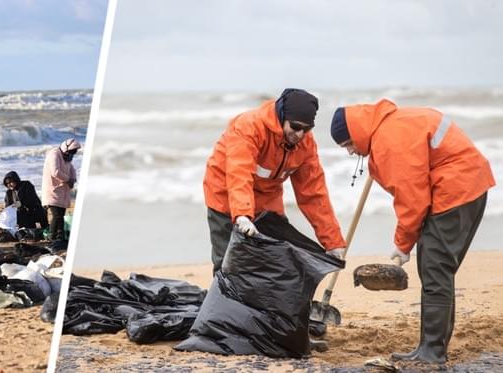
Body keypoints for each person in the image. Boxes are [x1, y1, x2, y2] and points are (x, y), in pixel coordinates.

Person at [330, 99, 495, 364]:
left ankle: (432, 352)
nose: (350, 152)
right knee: (438, 269)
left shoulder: (389, 141)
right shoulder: (390, 127)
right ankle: (431, 347)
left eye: (348, 144)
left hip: (455, 190)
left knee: (434, 269)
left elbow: (412, 199)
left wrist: (402, 245)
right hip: (468, 186)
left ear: (357, 133)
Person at [203, 88, 347, 273]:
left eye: (307, 129)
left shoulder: (305, 144)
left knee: (274, 261)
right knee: (228, 262)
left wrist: (333, 242)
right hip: (225, 194)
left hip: (267, 200)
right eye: (295, 127)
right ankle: (224, 300)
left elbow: (313, 194)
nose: (300, 134)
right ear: (281, 117)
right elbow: (239, 172)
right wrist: (242, 214)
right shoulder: (249, 127)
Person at [42, 138, 80, 242]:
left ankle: (61, 237)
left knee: (61, 215)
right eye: (71, 152)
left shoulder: (67, 157)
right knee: (56, 215)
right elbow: (56, 171)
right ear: (66, 148)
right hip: (52, 190)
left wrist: (73, 179)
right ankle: (51, 237)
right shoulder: (54, 154)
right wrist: (69, 179)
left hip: (63, 190)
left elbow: (72, 169)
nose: (71, 155)